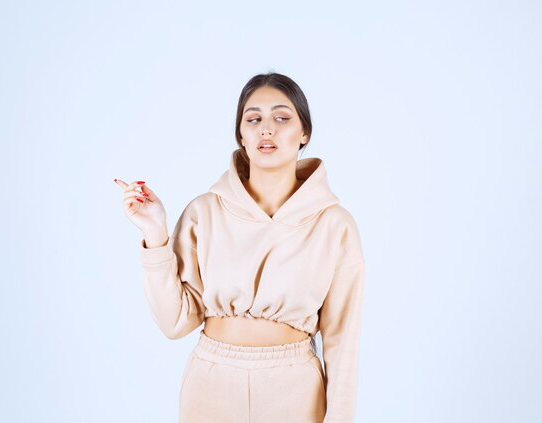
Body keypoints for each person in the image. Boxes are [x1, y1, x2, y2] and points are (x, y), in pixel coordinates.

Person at [114, 72, 366, 423]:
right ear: (241, 135)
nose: (267, 129)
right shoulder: (205, 211)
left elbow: (342, 338)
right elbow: (174, 322)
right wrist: (156, 235)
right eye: (254, 119)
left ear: (304, 132)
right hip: (211, 384)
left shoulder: (335, 225)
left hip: (295, 390)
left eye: (282, 117)